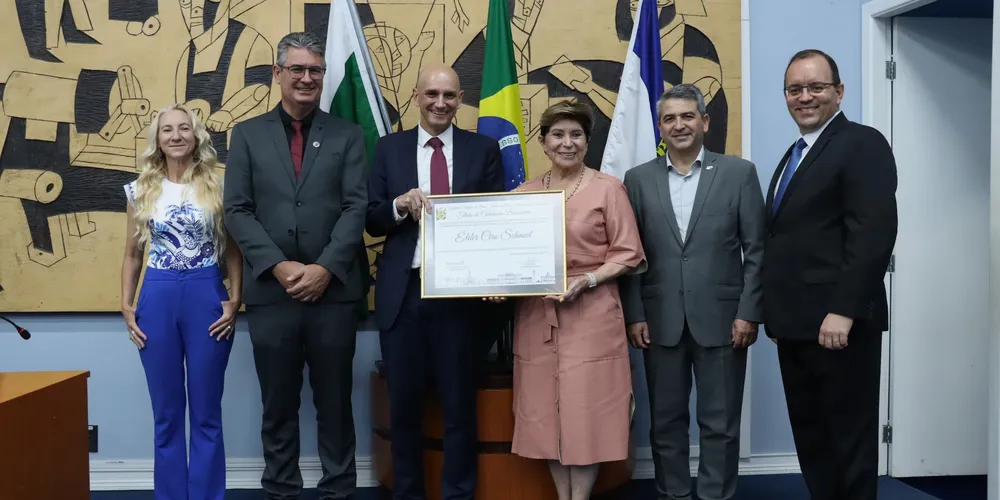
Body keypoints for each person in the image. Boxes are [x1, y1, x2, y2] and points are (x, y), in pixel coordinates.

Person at [222, 32, 369, 500]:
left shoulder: (348, 134)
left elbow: (356, 207)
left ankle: (339, 489)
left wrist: (324, 268)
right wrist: (278, 266)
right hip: (273, 293)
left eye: (315, 70)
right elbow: (237, 210)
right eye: (298, 69)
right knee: (278, 404)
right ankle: (281, 488)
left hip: (334, 292)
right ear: (278, 73)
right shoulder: (247, 134)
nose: (307, 78)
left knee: (335, 402)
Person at [619, 84, 766, 500]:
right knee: (666, 421)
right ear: (660, 127)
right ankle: (674, 493)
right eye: (669, 118)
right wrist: (635, 314)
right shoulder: (637, 180)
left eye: (687, 116)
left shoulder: (739, 173)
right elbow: (631, 254)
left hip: (725, 320)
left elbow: (757, 250)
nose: (679, 125)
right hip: (659, 319)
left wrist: (748, 312)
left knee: (720, 422)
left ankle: (716, 495)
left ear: (705, 122)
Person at [365, 62, 503, 500]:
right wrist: (398, 205)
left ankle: (458, 494)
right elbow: (371, 219)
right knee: (404, 409)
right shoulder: (388, 149)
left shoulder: (483, 150)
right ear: (415, 97)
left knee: (459, 409)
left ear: (460, 99)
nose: (440, 103)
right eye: (431, 94)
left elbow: (496, 220)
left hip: (461, 300)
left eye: (448, 95)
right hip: (403, 296)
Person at [764, 49, 897, 500]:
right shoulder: (796, 153)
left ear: (839, 92)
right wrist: (778, 315)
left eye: (816, 87)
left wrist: (844, 310)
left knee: (849, 439)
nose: (804, 97)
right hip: (796, 325)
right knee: (813, 438)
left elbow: (873, 233)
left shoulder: (862, 143)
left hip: (840, 324)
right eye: (795, 89)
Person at [504, 100, 646, 500]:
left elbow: (628, 253)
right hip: (537, 316)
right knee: (546, 413)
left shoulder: (608, 188)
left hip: (593, 313)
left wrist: (588, 279)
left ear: (587, 141)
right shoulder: (524, 193)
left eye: (576, 135)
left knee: (586, 414)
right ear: (543, 142)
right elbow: (508, 258)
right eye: (558, 135)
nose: (567, 143)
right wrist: (497, 284)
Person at [120, 103, 242, 500]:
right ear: (157, 140)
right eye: (167, 129)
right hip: (156, 297)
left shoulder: (219, 186)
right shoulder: (140, 189)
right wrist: (126, 305)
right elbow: (132, 254)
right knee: (167, 414)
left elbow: (234, 250)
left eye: (184, 128)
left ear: (196, 136)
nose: (176, 136)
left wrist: (235, 298)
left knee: (206, 413)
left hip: (207, 294)